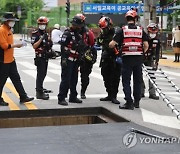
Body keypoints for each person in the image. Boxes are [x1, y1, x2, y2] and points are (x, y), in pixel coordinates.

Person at [109, 10, 149, 109]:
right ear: (135, 19)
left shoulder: (122, 30)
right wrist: (141, 52)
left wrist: (117, 46)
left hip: (127, 58)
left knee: (126, 80)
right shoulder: (140, 30)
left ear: (127, 19)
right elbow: (146, 45)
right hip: (138, 58)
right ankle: (137, 101)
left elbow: (111, 44)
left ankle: (129, 102)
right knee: (137, 80)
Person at [0, 12, 34, 106]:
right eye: (11, 21)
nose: (13, 22)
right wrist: (17, 45)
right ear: (6, 21)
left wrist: (18, 43)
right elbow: (4, 46)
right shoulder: (2, 30)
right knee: (1, 80)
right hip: (4, 61)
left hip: (10, 59)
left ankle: (23, 96)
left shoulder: (9, 30)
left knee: (16, 78)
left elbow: (9, 43)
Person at [57, 15, 84, 105]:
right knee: (66, 79)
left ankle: (73, 96)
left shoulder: (79, 34)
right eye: (77, 25)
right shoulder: (67, 33)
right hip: (67, 59)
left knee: (74, 79)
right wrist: (64, 59)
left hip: (75, 60)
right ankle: (61, 97)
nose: (78, 27)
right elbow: (63, 46)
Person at [97, 16, 121, 104]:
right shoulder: (102, 34)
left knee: (115, 78)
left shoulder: (116, 32)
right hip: (106, 57)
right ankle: (109, 94)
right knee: (105, 76)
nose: (103, 30)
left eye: (104, 28)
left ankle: (114, 96)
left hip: (115, 58)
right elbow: (99, 42)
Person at [31, 16, 55, 100]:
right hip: (40, 57)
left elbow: (48, 45)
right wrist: (41, 39)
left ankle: (40, 88)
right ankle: (39, 92)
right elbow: (34, 46)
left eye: (44, 24)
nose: (42, 25)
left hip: (45, 57)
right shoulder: (36, 34)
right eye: (40, 24)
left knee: (44, 74)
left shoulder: (46, 33)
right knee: (40, 75)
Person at [76, 13, 97, 99]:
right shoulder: (72, 31)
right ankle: (73, 93)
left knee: (85, 76)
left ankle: (83, 92)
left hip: (85, 57)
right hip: (75, 55)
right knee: (72, 76)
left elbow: (92, 44)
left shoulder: (88, 32)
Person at [141, 23, 160, 100]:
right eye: (151, 32)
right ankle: (141, 91)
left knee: (151, 75)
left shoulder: (157, 40)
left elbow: (157, 52)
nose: (152, 34)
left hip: (150, 58)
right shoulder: (143, 37)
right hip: (141, 57)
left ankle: (152, 93)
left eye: (154, 32)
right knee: (139, 75)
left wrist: (156, 61)